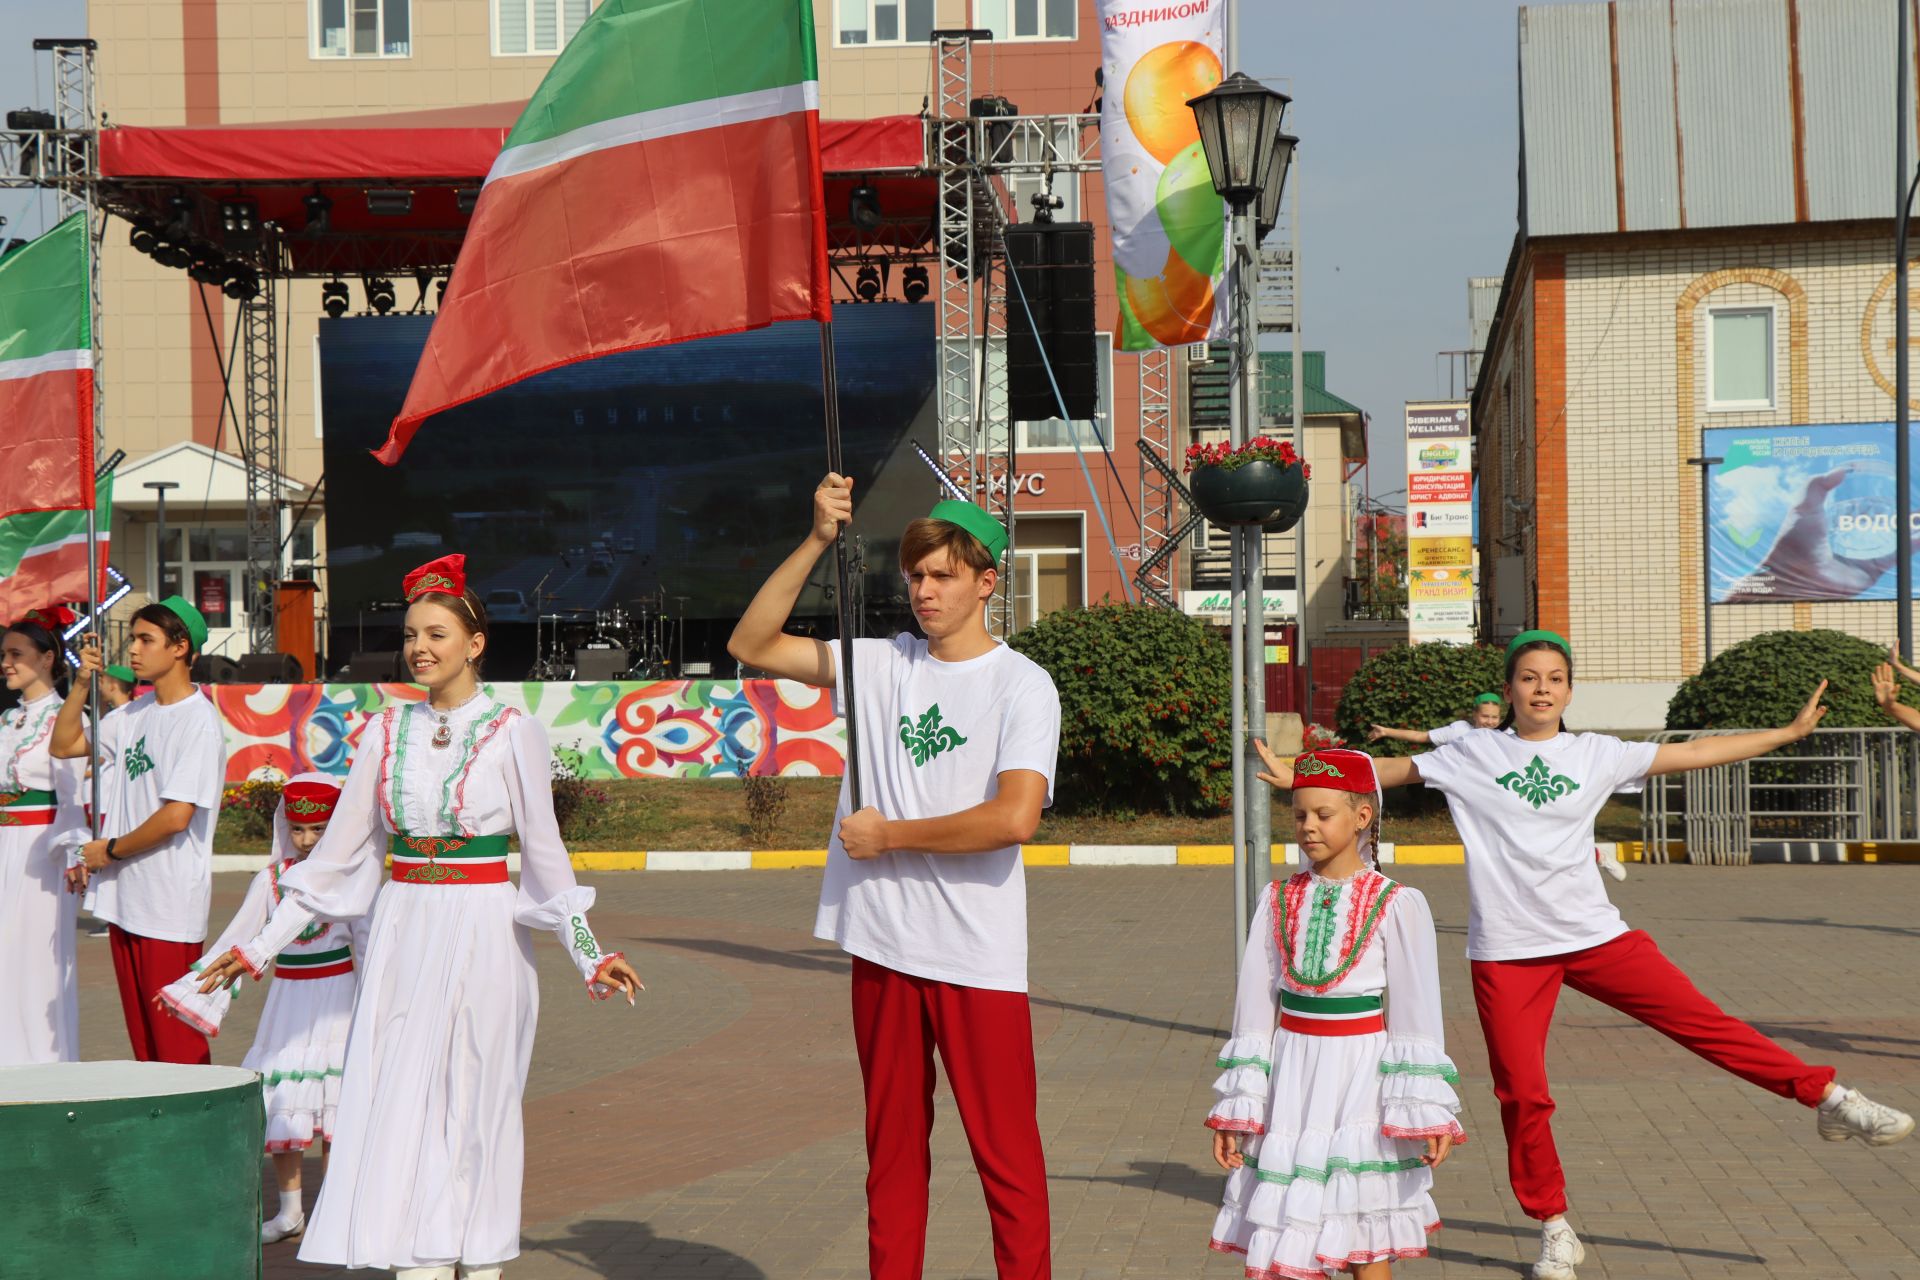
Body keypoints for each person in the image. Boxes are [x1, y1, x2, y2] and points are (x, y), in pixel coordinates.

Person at [1255, 629, 1913, 1280]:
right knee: (1523, 1095)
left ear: (1569, 690)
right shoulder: (1471, 753)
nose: (1542, 689)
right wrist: (1306, 777)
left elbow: (1694, 756)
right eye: (1529, 678)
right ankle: (1555, 1229)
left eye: (1555, 679)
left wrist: (1786, 735)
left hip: (1598, 938)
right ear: (1509, 689)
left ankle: (1829, 1098)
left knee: (1708, 1026)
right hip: (1508, 953)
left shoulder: (1596, 753)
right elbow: (1384, 772)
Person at [194, 554, 642, 1280]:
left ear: (475, 642)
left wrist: (590, 952)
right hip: (404, 928)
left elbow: (546, 858)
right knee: (399, 1091)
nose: (420, 648)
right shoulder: (383, 732)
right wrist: (257, 949)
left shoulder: (511, 731)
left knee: (477, 1092)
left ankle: (478, 1254)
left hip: (487, 928)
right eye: (410, 635)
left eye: (436, 633)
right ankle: (418, 1256)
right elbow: (334, 863)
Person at [727, 477, 1062, 1280]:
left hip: (975, 955)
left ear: (987, 582)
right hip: (882, 945)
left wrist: (891, 836)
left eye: (942, 575)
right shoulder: (878, 664)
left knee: (1007, 1163)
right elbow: (752, 641)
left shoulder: (1023, 685)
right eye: (915, 575)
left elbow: (1015, 819)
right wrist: (815, 539)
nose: (923, 590)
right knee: (892, 1158)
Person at [1206, 747, 1463, 1280]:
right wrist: (1241, 1106)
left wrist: (1425, 1109)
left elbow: (1417, 1014)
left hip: (1360, 1081)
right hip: (1291, 1080)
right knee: (1284, 1230)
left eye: (1324, 814)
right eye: (1299, 814)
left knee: (1364, 1236)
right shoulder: (1276, 899)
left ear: (1362, 817)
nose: (1308, 827)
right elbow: (1253, 1011)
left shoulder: (1396, 902)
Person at [156, 774, 362, 1245]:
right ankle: (290, 1212)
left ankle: (335, 1210)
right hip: (289, 1002)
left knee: (337, 1111)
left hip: (341, 1003)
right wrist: (190, 987)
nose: (308, 841)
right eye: (299, 830)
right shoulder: (270, 881)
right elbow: (235, 940)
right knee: (284, 1099)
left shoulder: (351, 882)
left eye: (320, 830)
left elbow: (372, 950)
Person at [50, 597, 225, 1065]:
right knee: (146, 1049)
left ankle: (196, 1136)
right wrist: (82, 682)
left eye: (146, 639)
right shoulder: (132, 716)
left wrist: (109, 850)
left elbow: (176, 817)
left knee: (178, 1046)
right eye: (133, 639)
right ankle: (161, 1134)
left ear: (180, 647)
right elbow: (64, 744)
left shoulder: (199, 721)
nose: (133, 650)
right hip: (127, 899)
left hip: (168, 903)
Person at [1369, 696, 1629, 884]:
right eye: (1485, 717)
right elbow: (1421, 737)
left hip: (1505, 799)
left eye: (1494, 717)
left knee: (1542, 840)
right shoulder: (1460, 732)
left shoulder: (1507, 738)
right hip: (1471, 796)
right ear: (1475, 716)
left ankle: (1593, 854)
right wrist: (1386, 731)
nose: (1490, 721)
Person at [0, 607, 84, 1063]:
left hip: (42, 855)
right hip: (3, 850)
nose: (6, 663)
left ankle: (45, 1066)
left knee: (35, 963)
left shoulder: (65, 720)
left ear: (48, 658)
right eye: (4, 654)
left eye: (17, 653)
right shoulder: (5, 721)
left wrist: (75, 856)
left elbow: (73, 799)